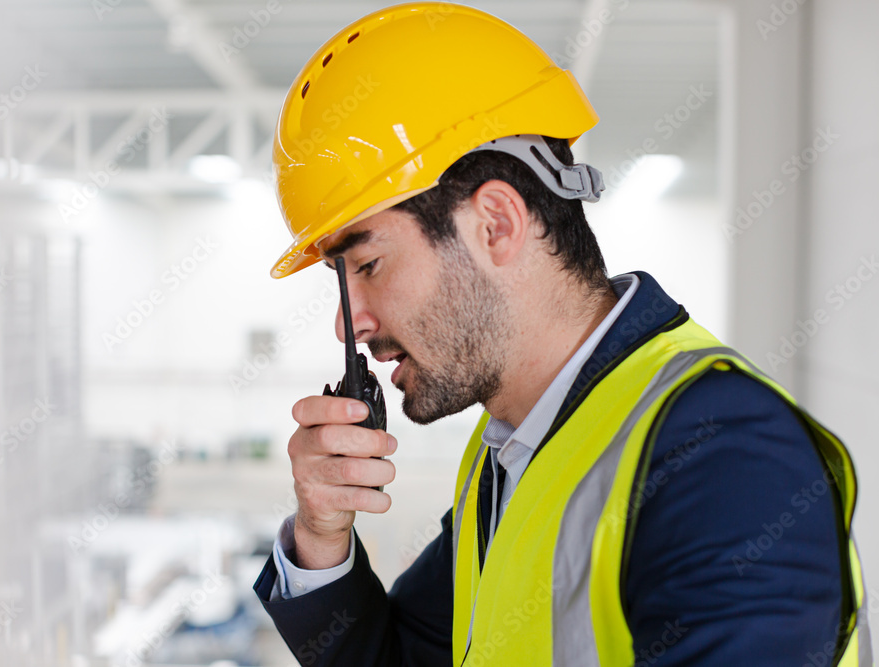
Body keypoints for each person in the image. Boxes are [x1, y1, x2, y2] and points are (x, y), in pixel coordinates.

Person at [252, 3, 872, 665]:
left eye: (368, 265)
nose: (351, 322)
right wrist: (322, 536)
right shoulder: (518, 455)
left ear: (495, 223)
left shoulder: (726, 460)